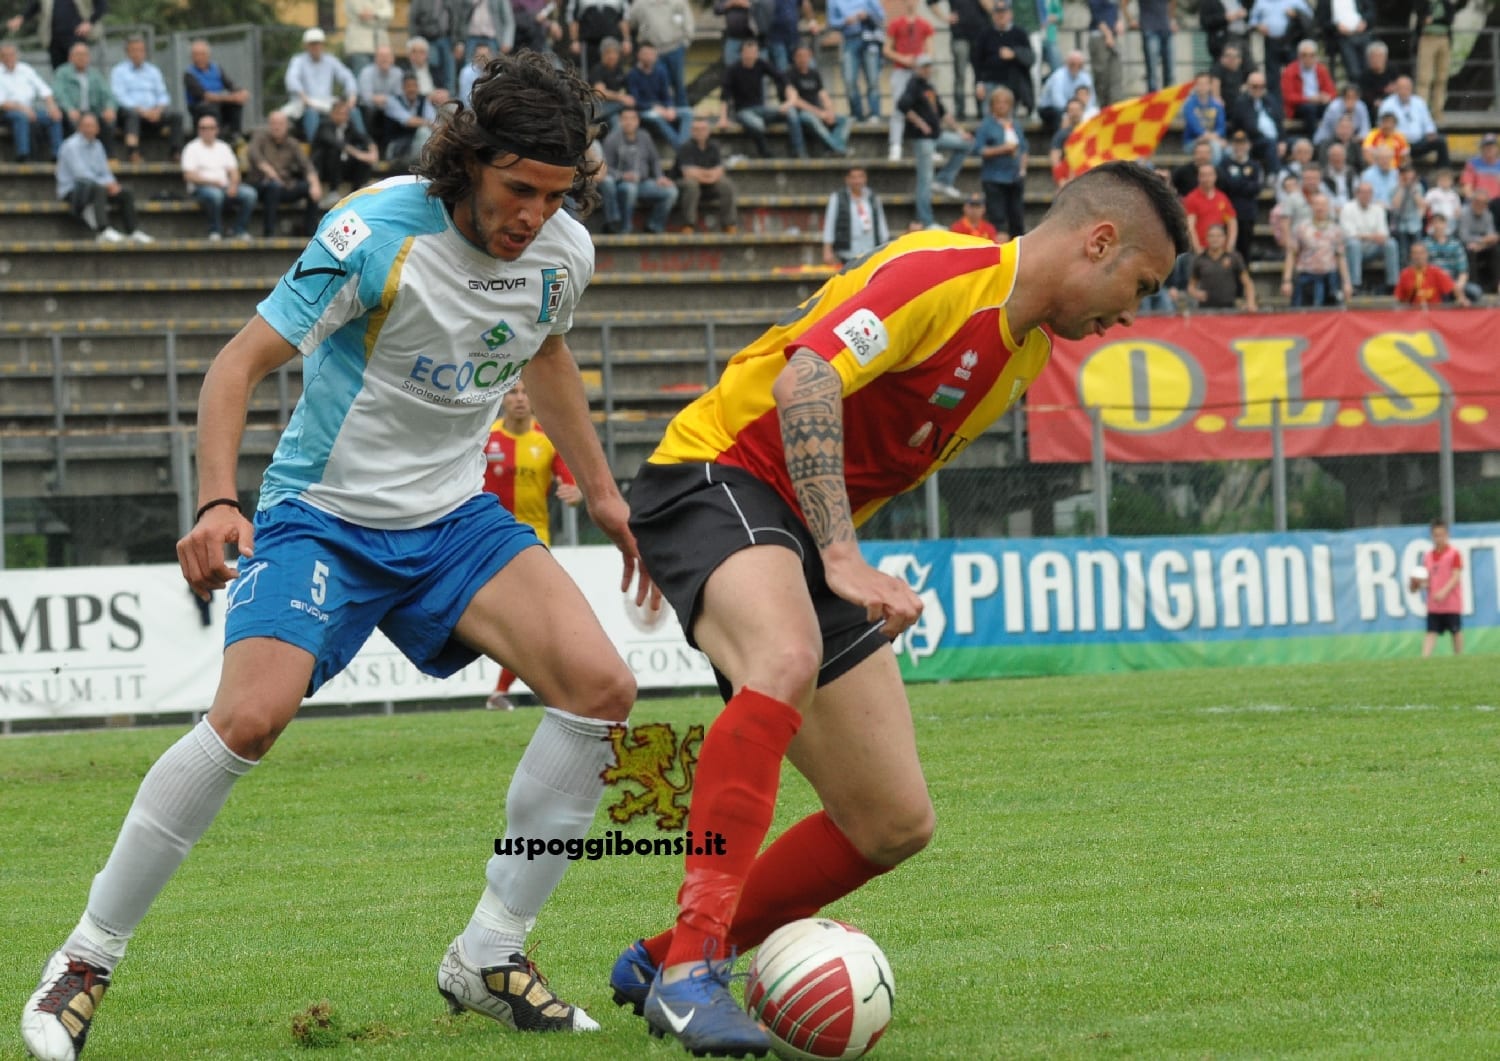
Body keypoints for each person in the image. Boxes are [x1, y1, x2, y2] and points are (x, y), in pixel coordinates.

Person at [20, 51, 653, 1061]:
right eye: (517, 189)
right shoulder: (374, 232)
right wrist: (217, 501)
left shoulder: (563, 252)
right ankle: (84, 959)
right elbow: (237, 365)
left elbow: (545, 349)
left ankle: (490, 953)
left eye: (555, 194)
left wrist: (608, 495)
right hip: (324, 517)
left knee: (603, 688)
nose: (534, 215)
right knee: (248, 719)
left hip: (453, 521)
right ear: (470, 160)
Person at [607, 160, 1190, 1057]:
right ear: (1099, 242)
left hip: (801, 533)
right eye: (1140, 286)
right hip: (719, 473)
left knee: (891, 820)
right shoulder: (943, 272)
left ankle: (654, 961)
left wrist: (829, 555)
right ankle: (692, 971)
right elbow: (806, 380)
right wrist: (842, 555)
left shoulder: (1026, 354)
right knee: (784, 659)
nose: (1131, 316)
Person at [482, 380, 582, 710]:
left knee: (536, 620)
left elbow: (570, 481)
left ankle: (501, 692)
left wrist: (574, 492)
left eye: (526, 392)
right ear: (503, 398)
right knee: (519, 621)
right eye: (513, 392)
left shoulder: (546, 439)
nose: (520, 398)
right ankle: (507, 690)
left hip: (533, 539)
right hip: (489, 537)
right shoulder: (486, 437)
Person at [899, 54, 973, 228]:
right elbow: (902, 105)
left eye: (929, 66)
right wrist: (920, 123)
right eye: (924, 67)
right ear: (917, 68)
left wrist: (960, 131)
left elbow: (943, 112)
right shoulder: (913, 85)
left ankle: (944, 180)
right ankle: (926, 221)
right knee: (924, 180)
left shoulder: (929, 87)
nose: (927, 70)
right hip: (922, 138)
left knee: (966, 144)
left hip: (936, 135)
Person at [56, 111, 151, 243]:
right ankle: (103, 230)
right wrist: (106, 185)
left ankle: (132, 231)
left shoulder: (98, 146)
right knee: (99, 189)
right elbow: (81, 174)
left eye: (92, 126)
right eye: (86, 126)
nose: (89, 129)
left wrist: (113, 184)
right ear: (79, 127)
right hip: (73, 191)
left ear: (97, 129)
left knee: (125, 193)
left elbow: (105, 171)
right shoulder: (70, 146)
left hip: (95, 187)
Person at [718, 39, 805, 160]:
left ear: (757, 54)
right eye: (747, 53)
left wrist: (789, 98)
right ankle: (765, 152)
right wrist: (723, 118)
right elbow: (725, 95)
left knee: (791, 113)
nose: (750, 56)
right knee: (757, 124)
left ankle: (798, 152)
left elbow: (781, 78)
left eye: (753, 53)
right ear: (742, 53)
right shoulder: (733, 70)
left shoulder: (761, 64)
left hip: (761, 109)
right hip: (743, 111)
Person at [600, 107, 679, 233]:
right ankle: (625, 228)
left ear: (638, 121)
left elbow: (654, 160)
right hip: (621, 183)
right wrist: (622, 175)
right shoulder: (612, 139)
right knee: (629, 189)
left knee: (671, 191)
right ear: (620, 121)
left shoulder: (645, 136)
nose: (629, 122)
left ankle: (654, 226)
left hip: (643, 182)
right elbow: (605, 167)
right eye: (625, 119)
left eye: (632, 119)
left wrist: (660, 177)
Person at [247, 109, 322, 238]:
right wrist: (272, 174)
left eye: (280, 123)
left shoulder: (292, 143)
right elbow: (255, 157)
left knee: (310, 189)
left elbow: (307, 166)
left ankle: (311, 233)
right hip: (262, 184)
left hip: (285, 185)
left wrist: (315, 184)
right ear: (269, 125)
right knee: (273, 186)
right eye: (274, 123)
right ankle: (269, 233)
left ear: (287, 126)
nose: (277, 127)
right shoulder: (259, 138)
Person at [181, 114, 257, 240]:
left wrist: (233, 185)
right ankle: (215, 230)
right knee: (215, 195)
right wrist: (212, 182)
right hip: (201, 188)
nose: (207, 131)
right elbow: (188, 175)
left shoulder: (224, 147)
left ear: (217, 129)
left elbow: (234, 171)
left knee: (250, 194)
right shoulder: (191, 148)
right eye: (203, 128)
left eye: (211, 128)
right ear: (198, 130)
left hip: (225, 186)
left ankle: (239, 230)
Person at [110, 35, 184, 163]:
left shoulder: (153, 71)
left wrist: (158, 110)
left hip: (153, 113)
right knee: (131, 115)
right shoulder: (119, 71)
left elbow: (163, 95)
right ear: (127, 52)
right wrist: (143, 111)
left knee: (176, 116)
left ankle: (176, 153)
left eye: (140, 50)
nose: (137, 53)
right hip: (131, 113)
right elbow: (120, 96)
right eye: (134, 50)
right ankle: (133, 152)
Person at [283, 27, 363, 142]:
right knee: (311, 114)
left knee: (354, 111)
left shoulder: (330, 60)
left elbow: (347, 76)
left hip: (327, 103)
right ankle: (316, 146)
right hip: (307, 104)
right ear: (306, 46)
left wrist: (352, 95)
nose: (316, 47)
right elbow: (291, 79)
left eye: (318, 43)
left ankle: (363, 145)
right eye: (312, 44)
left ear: (323, 45)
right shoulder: (298, 61)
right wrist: (303, 96)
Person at [882, 0, 933, 160]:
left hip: (918, 72)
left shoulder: (925, 24)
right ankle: (895, 145)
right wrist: (903, 58)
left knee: (924, 109)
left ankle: (929, 145)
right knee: (899, 108)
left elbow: (930, 51)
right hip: (900, 70)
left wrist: (919, 63)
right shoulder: (895, 24)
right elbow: (887, 49)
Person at [973, 83, 1025, 239]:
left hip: (1014, 178)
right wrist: (1002, 149)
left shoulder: (1015, 125)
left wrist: (1023, 169)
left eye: (1005, 102)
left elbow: (1024, 148)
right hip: (994, 179)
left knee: (1017, 218)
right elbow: (979, 150)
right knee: (998, 219)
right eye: (998, 102)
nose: (1002, 106)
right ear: (992, 105)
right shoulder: (986, 125)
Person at [1282, 192, 1350, 306]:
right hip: (1306, 277)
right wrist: (1287, 280)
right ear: (1311, 206)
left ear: (1328, 207)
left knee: (1333, 313)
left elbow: (1341, 257)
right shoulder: (1301, 228)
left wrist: (1346, 282)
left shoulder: (1336, 230)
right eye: (1317, 204)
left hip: (1330, 277)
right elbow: (1291, 254)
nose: (1320, 208)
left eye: (1323, 204)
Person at [673, 113, 739, 233]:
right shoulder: (685, 147)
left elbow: (719, 170)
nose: (700, 132)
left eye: (703, 129)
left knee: (726, 184)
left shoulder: (714, 146)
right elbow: (688, 173)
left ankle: (729, 224)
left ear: (708, 131)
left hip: (708, 184)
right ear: (691, 131)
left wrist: (703, 174)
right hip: (685, 186)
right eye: (696, 129)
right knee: (691, 185)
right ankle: (689, 224)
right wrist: (709, 175)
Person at [0, 41, 63, 163]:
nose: (9, 58)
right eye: (5, 55)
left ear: (17, 55)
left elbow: (45, 90)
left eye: (11, 55)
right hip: (6, 112)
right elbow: (2, 103)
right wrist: (24, 110)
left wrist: (52, 107)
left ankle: (57, 155)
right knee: (21, 118)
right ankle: (23, 155)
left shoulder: (26, 69)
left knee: (54, 117)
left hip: (30, 110)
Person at [787, 44, 851, 157]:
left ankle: (832, 149)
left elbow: (823, 95)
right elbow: (796, 101)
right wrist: (819, 113)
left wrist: (830, 112)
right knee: (811, 119)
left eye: (805, 56)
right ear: (794, 58)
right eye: (799, 56)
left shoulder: (814, 73)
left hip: (818, 111)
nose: (803, 59)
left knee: (845, 120)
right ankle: (838, 148)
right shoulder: (789, 74)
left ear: (810, 56)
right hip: (802, 113)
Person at [628, 0, 694, 109]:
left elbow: (688, 22)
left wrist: (686, 42)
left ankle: (683, 113)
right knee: (657, 87)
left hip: (675, 48)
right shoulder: (639, 3)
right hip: (651, 52)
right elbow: (631, 23)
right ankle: (662, 114)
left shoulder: (679, 2)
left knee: (678, 84)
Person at [52, 42, 117, 154]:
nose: (81, 57)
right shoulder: (62, 73)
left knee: (108, 121)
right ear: (70, 57)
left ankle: (109, 156)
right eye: (78, 54)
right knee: (73, 122)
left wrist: (110, 108)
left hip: (93, 112)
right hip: (72, 112)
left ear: (89, 57)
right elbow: (59, 93)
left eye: (84, 54)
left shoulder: (96, 75)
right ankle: (75, 155)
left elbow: (108, 94)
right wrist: (69, 109)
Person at [827, 0, 885, 123]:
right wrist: (844, 21)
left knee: (873, 79)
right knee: (849, 80)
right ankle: (856, 115)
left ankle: (874, 114)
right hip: (849, 41)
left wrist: (867, 15)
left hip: (869, 39)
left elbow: (881, 16)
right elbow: (831, 22)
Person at [1411, 519, 1463, 655]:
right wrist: (1416, 584)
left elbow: (1456, 576)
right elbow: (1428, 580)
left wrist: (1443, 592)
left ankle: (1459, 657)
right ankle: (1424, 659)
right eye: (1436, 535)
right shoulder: (1428, 556)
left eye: (1441, 535)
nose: (1439, 538)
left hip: (1451, 603)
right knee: (1431, 632)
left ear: (1447, 535)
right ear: (1432, 536)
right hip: (1434, 604)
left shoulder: (1454, 553)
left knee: (1455, 631)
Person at [6, 0, 101, 74]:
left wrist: (90, 22)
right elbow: (34, 6)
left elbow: (101, 5)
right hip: (54, 39)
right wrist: (21, 19)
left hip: (78, 37)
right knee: (59, 72)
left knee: (80, 71)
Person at [184, 39, 250, 144]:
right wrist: (231, 98)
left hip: (219, 103)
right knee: (212, 108)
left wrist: (241, 92)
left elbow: (230, 85)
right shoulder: (189, 74)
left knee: (236, 104)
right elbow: (205, 96)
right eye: (195, 55)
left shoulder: (216, 68)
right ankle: (219, 139)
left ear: (208, 55)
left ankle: (236, 137)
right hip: (200, 106)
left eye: (202, 54)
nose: (199, 57)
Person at [311, 97, 378, 199]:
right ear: (332, 114)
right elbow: (336, 143)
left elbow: (363, 137)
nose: (344, 117)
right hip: (324, 168)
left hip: (342, 166)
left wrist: (373, 151)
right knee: (335, 151)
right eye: (340, 113)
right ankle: (333, 192)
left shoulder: (348, 126)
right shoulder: (324, 125)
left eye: (346, 114)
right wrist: (359, 154)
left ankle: (357, 191)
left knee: (365, 152)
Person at [974, 0, 1034, 114]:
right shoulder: (985, 34)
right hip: (990, 82)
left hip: (1012, 83)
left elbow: (1030, 58)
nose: (1001, 15)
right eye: (998, 12)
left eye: (1004, 12)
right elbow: (977, 62)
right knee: (989, 115)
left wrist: (1014, 54)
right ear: (993, 15)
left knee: (1008, 116)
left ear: (1010, 14)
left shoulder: (1020, 33)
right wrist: (979, 83)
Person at [822, 165, 888, 266]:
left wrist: (885, 246)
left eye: (860, 177)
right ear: (847, 179)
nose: (857, 181)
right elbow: (829, 225)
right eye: (853, 177)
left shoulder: (873, 198)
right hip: (847, 253)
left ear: (865, 178)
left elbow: (881, 224)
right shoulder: (837, 198)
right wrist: (827, 250)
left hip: (871, 251)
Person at [626, 42, 689, 150]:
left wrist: (669, 107)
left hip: (662, 108)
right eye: (646, 54)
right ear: (639, 55)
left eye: (651, 54)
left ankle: (683, 144)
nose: (649, 57)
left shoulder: (661, 71)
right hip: (644, 110)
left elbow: (666, 95)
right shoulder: (632, 74)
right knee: (657, 118)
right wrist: (654, 107)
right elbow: (635, 101)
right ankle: (682, 149)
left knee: (687, 113)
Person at [1338, 179, 1397, 293]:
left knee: (1391, 243)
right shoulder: (1347, 208)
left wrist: (1372, 237)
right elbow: (1349, 234)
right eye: (1363, 192)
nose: (1366, 195)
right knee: (1354, 244)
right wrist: (1372, 237)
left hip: (1373, 248)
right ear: (1357, 193)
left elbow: (1383, 233)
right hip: (1352, 248)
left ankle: (1392, 284)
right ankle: (1355, 284)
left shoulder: (1378, 209)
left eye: (1369, 192)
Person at [1376, 75, 1448, 168]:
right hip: (1396, 143)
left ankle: (1443, 171)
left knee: (1440, 141)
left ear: (1411, 89)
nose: (1404, 91)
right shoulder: (1387, 104)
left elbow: (1428, 123)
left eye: (1407, 88)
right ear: (1396, 89)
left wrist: (1430, 132)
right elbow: (1382, 127)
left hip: (1418, 142)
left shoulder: (1419, 102)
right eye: (1401, 88)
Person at [1187, 222, 1256, 309]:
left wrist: (1251, 302)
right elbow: (1191, 286)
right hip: (1205, 310)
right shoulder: (1200, 259)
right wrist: (1196, 293)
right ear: (1207, 238)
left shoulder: (1234, 257)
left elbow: (1247, 283)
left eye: (1219, 236)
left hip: (1229, 308)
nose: (1215, 239)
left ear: (1225, 238)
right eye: (1211, 236)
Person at [1217, 129, 1262, 263]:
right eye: (1236, 144)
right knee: (1226, 247)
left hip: (1247, 213)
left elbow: (1256, 188)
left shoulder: (1255, 165)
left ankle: (1244, 273)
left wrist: (1236, 183)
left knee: (1245, 248)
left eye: (1243, 144)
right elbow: (1224, 185)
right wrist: (1243, 183)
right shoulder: (1224, 164)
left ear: (1249, 145)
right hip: (1227, 212)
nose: (1239, 147)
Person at [1228, 70, 1281, 177]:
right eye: (1255, 86)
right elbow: (1245, 127)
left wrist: (1282, 141)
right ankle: (1274, 175)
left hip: (1275, 139)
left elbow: (1279, 123)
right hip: (1254, 141)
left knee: (1300, 143)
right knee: (1270, 144)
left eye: (1261, 86)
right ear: (1248, 86)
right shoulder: (1241, 103)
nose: (1258, 89)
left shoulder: (1270, 101)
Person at [1413, 0, 1458, 123]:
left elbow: (1449, 19)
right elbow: (1421, 17)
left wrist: (1433, 20)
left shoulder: (1446, 3)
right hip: (1427, 38)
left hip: (1444, 39)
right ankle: (1421, 112)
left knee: (1441, 78)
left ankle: (1438, 112)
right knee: (1424, 78)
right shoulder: (1424, 3)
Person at [1422, 214, 1481, 304]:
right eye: (1435, 223)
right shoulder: (1425, 244)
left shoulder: (1456, 244)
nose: (1438, 226)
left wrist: (1459, 286)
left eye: (1440, 223)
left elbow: (1463, 271)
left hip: (1454, 281)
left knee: (1476, 291)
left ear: (1445, 224)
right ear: (1431, 225)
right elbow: (1422, 268)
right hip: (1434, 282)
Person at [1280, 38, 1333, 139]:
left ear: (1316, 56)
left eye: (1311, 55)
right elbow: (1288, 97)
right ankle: (1314, 139)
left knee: (1333, 108)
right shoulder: (1290, 71)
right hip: (1298, 107)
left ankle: (1331, 138)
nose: (1308, 58)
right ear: (1299, 56)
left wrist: (1326, 97)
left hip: (1318, 103)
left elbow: (1331, 92)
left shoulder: (1321, 69)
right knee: (1309, 109)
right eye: (1304, 55)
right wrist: (1309, 99)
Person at [945, 0, 989, 121]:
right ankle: (960, 112)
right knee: (960, 75)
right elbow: (931, 2)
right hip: (960, 36)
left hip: (980, 35)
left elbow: (991, 8)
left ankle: (981, 110)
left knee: (980, 76)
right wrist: (945, 17)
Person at [356, 44, 405, 152]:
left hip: (389, 109)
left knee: (398, 112)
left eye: (387, 56)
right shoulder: (366, 72)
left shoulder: (398, 73)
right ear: (375, 59)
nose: (384, 59)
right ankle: (369, 146)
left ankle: (392, 149)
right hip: (369, 110)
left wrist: (384, 99)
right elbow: (366, 97)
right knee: (370, 112)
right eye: (381, 56)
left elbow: (400, 97)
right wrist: (387, 100)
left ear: (393, 59)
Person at [383, 72, 441, 162]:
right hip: (397, 146)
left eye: (414, 86)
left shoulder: (424, 101)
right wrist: (429, 123)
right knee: (424, 131)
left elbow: (434, 122)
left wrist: (434, 126)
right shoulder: (393, 101)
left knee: (431, 133)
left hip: (416, 144)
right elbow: (408, 121)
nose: (412, 89)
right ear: (402, 88)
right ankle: (426, 162)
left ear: (418, 87)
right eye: (408, 86)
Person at [1036, 50, 1093, 139]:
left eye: (1079, 65)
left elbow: (1091, 99)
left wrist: (1082, 111)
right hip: (1049, 108)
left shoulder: (1085, 77)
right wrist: (1071, 111)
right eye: (1073, 64)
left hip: (1073, 108)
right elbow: (1057, 101)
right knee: (1060, 116)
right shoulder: (1059, 76)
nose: (1076, 67)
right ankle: (1060, 141)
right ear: (1067, 63)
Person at [1183, 161, 1237, 253]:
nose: (1206, 178)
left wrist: (1229, 246)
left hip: (1220, 250)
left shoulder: (1222, 198)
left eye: (1210, 175)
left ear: (1215, 177)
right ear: (1198, 178)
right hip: (1201, 250)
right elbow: (1190, 227)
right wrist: (1197, 249)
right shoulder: (1191, 198)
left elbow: (1232, 222)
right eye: (1203, 175)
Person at [408, 0, 462, 92]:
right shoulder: (419, 2)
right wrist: (415, 40)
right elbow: (413, 19)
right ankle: (433, 93)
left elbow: (456, 18)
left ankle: (450, 95)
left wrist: (458, 41)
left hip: (448, 39)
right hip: (427, 38)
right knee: (433, 67)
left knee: (450, 71)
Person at [1394, 241, 1461, 307]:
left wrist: (1460, 300)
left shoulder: (1436, 271)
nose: (1418, 256)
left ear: (1427, 254)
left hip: (1434, 311)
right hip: (1413, 312)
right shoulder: (1405, 274)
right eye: (1415, 253)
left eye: (1421, 253)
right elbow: (1399, 298)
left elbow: (1453, 287)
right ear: (1411, 255)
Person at [1458, 190, 1500, 293]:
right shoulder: (1464, 213)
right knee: (1471, 250)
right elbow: (1464, 236)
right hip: (1466, 245)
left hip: (1482, 245)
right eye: (1477, 202)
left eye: (1483, 203)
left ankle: (1495, 285)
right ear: (1472, 202)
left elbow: (1491, 235)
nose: (1480, 205)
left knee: (1495, 250)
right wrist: (1481, 240)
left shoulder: (1488, 215)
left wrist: (1482, 244)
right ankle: (1475, 286)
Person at [1130, 0, 1176, 93]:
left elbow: (1173, 2)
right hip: (1149, 29)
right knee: (1152, 74)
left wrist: (1171, 20)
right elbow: (1124, 3)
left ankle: (1168, 98)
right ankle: (1153, 99)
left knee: (1169, 72)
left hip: (1165, 29)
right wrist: (1130, 20)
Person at [1086, 0, 1124, 108]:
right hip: (1099, 36)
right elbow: (1096, 14)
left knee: (1116, 77)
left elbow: (1115, 8)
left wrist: (1119, 20)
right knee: (1102, 78)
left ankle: (1115, 109)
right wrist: (1107, 33)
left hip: (1113, 37)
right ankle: (1102, 109)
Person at [590, 37, 632, 131]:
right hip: (603, 107)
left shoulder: (619, 69)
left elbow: (626, 87)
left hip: (617, 106)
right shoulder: (597, 70)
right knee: (616, 121)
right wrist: (621, 97)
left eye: (614, 52)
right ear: (602, 54)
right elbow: (600, 92)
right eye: (608, 53)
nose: (611, 56)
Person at [344, 0, 395, 76]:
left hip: (380, 45)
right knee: (363, 77)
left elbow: (389, 13)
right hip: (359, 47)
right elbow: (363, 14)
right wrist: (380, 16)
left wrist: (374, 15)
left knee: (382, 78)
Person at [1182, 71, 1226, 160]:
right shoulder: (1189, 105)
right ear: (1195, 86)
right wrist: (1212, 138)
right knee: (1215, 146)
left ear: (1210, 86)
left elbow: (1221, 127)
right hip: (1193, 142)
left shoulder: (1217, 105)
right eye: (1199, 84)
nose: (1202, 87)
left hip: (1214, 139)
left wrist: (1214, 137)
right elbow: (1194, 127)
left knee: (1230, 151)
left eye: (1205, 84)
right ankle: (1211, 169)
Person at [1461, 134, 1500, 230]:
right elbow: (1467, 188)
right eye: (1486, 146)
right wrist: (1477, 200)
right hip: (1479, 201)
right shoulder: (1473, 164)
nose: (1489, 149)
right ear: (1482, 149)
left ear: (1497, 148)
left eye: (1492, 146)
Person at [1313, 82, 1368, 150]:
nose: (1351, 100)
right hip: (1325, 141)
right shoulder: (1334, 108)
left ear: (1358, 98)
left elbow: (1365, 130)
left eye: (1354, 97)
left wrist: (1357, 138)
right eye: (1348, 97)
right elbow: (1339, 133)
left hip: (1350, 141)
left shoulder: (1361, 106)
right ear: (1342, 97)